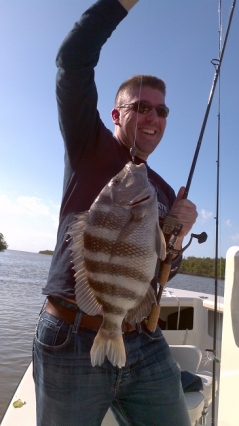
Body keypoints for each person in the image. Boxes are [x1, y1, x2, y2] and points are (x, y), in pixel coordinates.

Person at [33, 1, 198, 425]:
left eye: (161, 110)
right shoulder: (89, 144)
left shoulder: (159, 189)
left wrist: (176, 239)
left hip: (142, 338)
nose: (152, 116)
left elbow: (157, 269)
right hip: (70, 336)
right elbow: (72, 60)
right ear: (116, 114)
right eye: (140, 106)